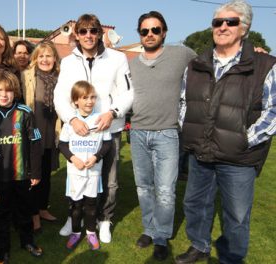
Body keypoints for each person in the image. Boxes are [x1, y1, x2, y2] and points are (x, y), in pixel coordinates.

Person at [176, 1, 276, 263]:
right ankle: (199, 246)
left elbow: (273, 111)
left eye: (230, 22)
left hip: (239, 158)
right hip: (200, 153)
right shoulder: (196, 63)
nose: (222, 27)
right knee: (195, 205)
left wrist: (245, 140)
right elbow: (184, 102)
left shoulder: (265, 65)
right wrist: (190, 131)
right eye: (217, 22)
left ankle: (230, 257)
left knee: (237, 215)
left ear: (243, 28)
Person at [54, 13, 133, 243]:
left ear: (100, 33)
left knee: (109, 179)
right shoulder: (68, 62)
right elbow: (60, 96)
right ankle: (74, 217)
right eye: (83, 31)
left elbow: (128, 92)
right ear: (77, 35)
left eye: (93, 31)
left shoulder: (117, 58)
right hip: (78, 129)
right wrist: (72, 119)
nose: (88, 35)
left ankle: (104, 219)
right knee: (77, 174)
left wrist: (113, 112)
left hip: (108, 127)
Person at [127, 11, 197, 261]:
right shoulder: (132, 63)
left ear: (164, 32)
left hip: (167, 133)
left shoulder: (182, 54)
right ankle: (149, 228)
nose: (150, 35)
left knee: (166, 190)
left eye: (155, 30)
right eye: (144, 31)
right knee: (144, 187)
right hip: (137, 133)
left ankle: (161, 237)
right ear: (140, 34)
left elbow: (209, 63)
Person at [0, 71, 43, 263]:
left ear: (15, 92)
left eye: (8, 90)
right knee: (0, 215)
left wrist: (35, 171)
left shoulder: (25, 113)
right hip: (0, 177)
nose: (4, 94)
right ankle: (3, 250)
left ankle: (27, 241)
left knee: (24, 211)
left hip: (22, 174)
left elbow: (35, 143)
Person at [59, 81, 112, 251]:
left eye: (92, 97)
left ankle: (90, 232)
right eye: (85, 98)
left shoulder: (100, 119)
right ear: (76, 101)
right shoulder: (70, 122)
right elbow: (62, 145)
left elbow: (107, 143)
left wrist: (96, 157)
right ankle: (75, 232)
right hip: (75, 173)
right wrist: (73, 158)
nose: (89, 101)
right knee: (75, 206)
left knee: (91, 205)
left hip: (93, 172)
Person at [21, 41, 60, 232]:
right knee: (34, 176)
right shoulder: (27, 76)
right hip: (33, 132)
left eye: (49, 56)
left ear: (55, 59)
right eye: (41, 56)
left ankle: (43, 208)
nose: (45, 60)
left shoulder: (59, 77)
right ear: (35, 58)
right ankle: (33, 214)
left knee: (46, 174)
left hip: (52, 131)